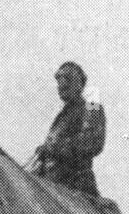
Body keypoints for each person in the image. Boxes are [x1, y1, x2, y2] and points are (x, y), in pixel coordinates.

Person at [30, 62, 106, 197]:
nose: (62, 83)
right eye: (59, 79)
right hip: (52, 187)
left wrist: (53, 148)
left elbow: (91, 142)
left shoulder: (92, 106)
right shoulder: (61, 116)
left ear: (80, 84)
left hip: (77, 188)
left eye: (68, 78)